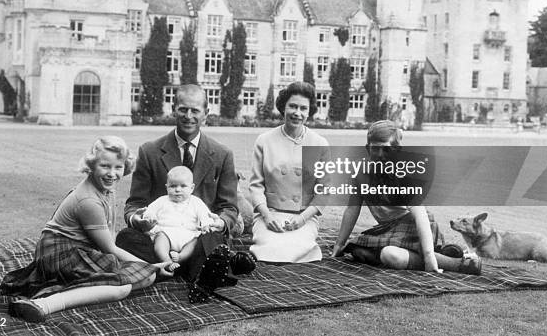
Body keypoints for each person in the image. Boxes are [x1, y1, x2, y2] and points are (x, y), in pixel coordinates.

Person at [0, 136, 169, 323]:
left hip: (80, 251)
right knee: (124, 286)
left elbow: (109, 239)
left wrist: (147, 269)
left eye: (118, 167)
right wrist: (152, 266)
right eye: (105, 166)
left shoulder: (107, 189)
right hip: (58, 253)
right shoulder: (88, 201)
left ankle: (75, 287)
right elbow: (110, 249)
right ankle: (43, 304)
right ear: (91, 165)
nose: (112, 173)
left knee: (145, 277)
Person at [116, 84, 256, 300]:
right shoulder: (149, 151)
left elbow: (229, 207)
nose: (188, 116)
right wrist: (138, 220)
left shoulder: (222, 154)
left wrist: (220, 222)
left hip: (199, 237)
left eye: (195, 110)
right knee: (126, 238)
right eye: (183, 109)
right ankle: (206, 270)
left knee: (215, 238)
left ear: (206, 114)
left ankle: (172, 269)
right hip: (159, 237)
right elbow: (134, 204)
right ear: (174, 109)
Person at [331, 120, 482, 275]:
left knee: (389, 255)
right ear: (367, 148)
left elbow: (420, 214)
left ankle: (457, 263)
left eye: (387, 149)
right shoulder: (360, 171)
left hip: (414, 225)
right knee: (356, 251)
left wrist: (429, 256)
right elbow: (352, 209)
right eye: (375, 149)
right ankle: (442, 252)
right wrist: (339, 244)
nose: (380, 155)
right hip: (388, 229)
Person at [249, 81, 329, 263]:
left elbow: (324, 191)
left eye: (303, 108)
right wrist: (267, 216)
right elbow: (255, 186)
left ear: (309, 112)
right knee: (269, 248)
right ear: (283, 107)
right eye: (292, 106)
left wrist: (302, 219)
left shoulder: (319, 144)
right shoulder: (264, 141)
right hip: (269, 213)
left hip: (304, 217)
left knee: (299, 248)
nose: (297, 113)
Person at [143, 166, 216, 271]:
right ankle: (167, 261)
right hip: (166, 233)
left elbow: (206, 215)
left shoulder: (196, 202)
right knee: (160, 240)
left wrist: (206, 224)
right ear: (166, 187)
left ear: (192, 188)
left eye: (183, 186)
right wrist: (150, 217)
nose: (177, 190)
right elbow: (150, 211)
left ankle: (181, 257)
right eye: (173, 186)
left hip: (188, 235)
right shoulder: (162, 201)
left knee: (195, 241)